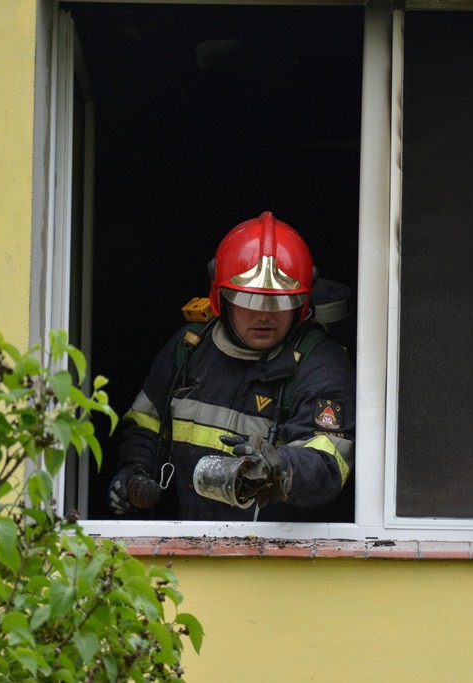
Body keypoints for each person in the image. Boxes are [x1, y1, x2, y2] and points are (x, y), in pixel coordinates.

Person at [108, 211, 355, 521]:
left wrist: (280, 467)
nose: (265, 314)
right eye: (249, 300)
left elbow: (328, 461)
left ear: (302, 303)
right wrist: (136, 470)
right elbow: (146, 423)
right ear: (219, 297)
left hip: (275, 557)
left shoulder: (321, 365)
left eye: (279, 303)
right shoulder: (189, 346)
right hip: (189, 546)